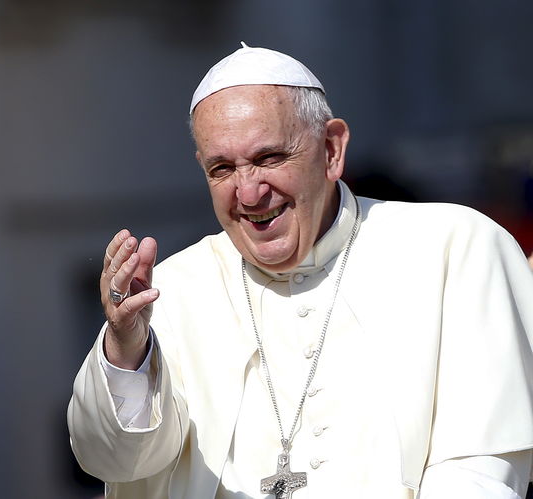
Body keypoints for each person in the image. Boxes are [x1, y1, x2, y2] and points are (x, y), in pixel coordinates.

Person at [68, 43, 533, 498]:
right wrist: (125, 352)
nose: (248, 194)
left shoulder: (456, 249)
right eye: (222, 168)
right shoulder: (171, 292)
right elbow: (116, 463)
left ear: (331, 149)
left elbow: (480, 468)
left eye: (269, 158)